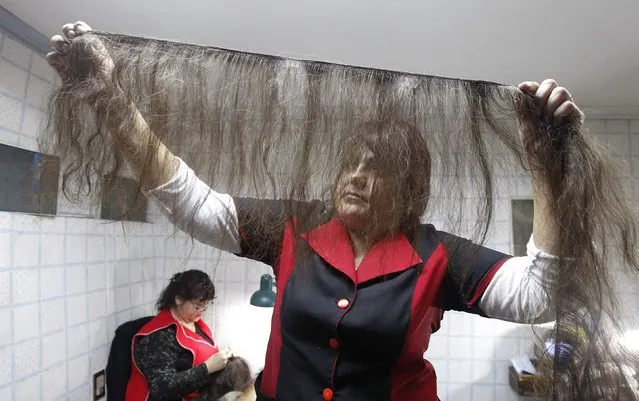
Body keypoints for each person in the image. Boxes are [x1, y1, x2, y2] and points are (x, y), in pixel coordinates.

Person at [47, 22, 584, 401]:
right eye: (350, 163)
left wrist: (546, 162)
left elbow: (540, 295)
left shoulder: (437, 254)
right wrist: (108, 95)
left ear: (410, 189)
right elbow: (191, 201)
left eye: (377, 168)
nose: (356, 175)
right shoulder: (296, 227)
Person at [125, 269, 234, 401]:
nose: (201, 313)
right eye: (197, 307)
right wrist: (207, 368)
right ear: (178, 299)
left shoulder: (195, 323)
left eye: (205, 307)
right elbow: (162, 389)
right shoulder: (158, 337)